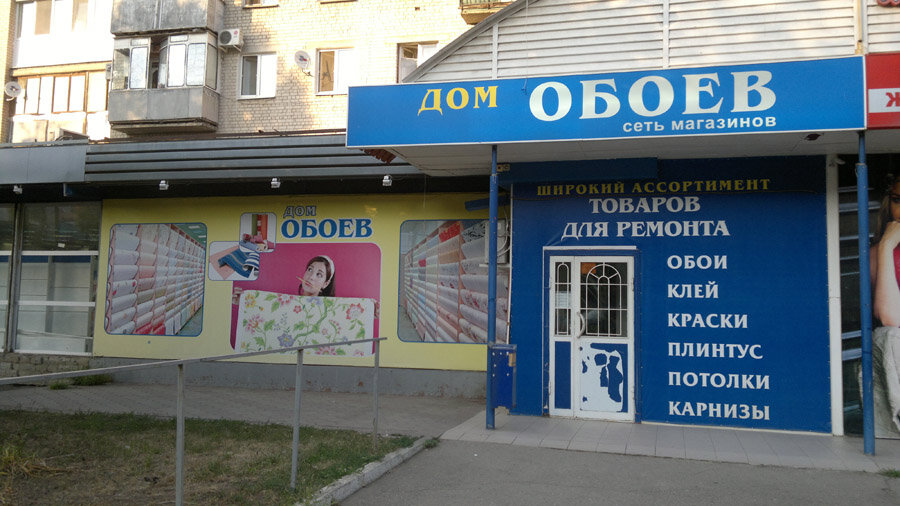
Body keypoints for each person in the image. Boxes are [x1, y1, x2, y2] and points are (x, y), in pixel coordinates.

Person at [869, 174, 900, 437]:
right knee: (889, 336)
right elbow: (889, 317)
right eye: (897, 200)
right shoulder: (880, 252)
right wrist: (886, 247)